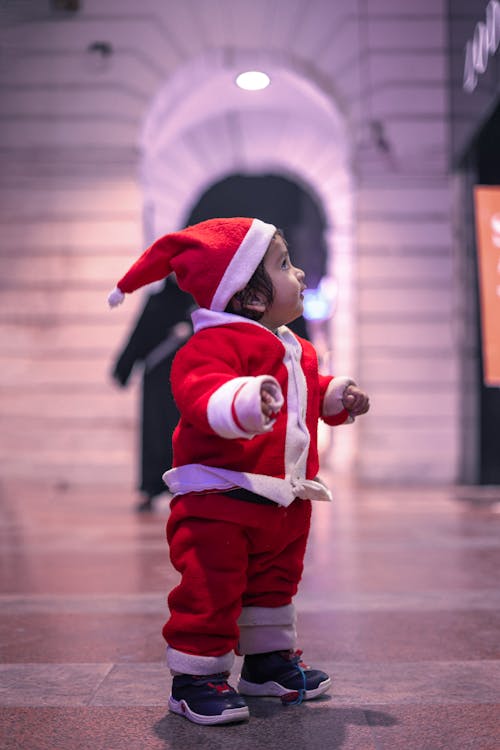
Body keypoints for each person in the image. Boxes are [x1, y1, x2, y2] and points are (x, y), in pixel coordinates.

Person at [107, 217, 370, 726]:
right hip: (221, 502)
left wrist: (339, 396)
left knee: (274, 587)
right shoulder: (214, 344)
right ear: (250, 296)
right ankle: (195, 679)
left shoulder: (296, 347)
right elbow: (201, 392)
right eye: (284, 265)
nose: (299, 274)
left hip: (282, 499)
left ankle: (267, 663)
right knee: (212, 589)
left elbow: (311, 392)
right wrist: (248, 401)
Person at [111, 277, 193, 512]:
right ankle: (150, 488)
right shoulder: (156, 301)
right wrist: (123, 368)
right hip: (157, 379)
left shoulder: (198, 303)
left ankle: (184, 487)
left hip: (187, 378)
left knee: (183, 434)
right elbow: (139, 336)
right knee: (154, 433)